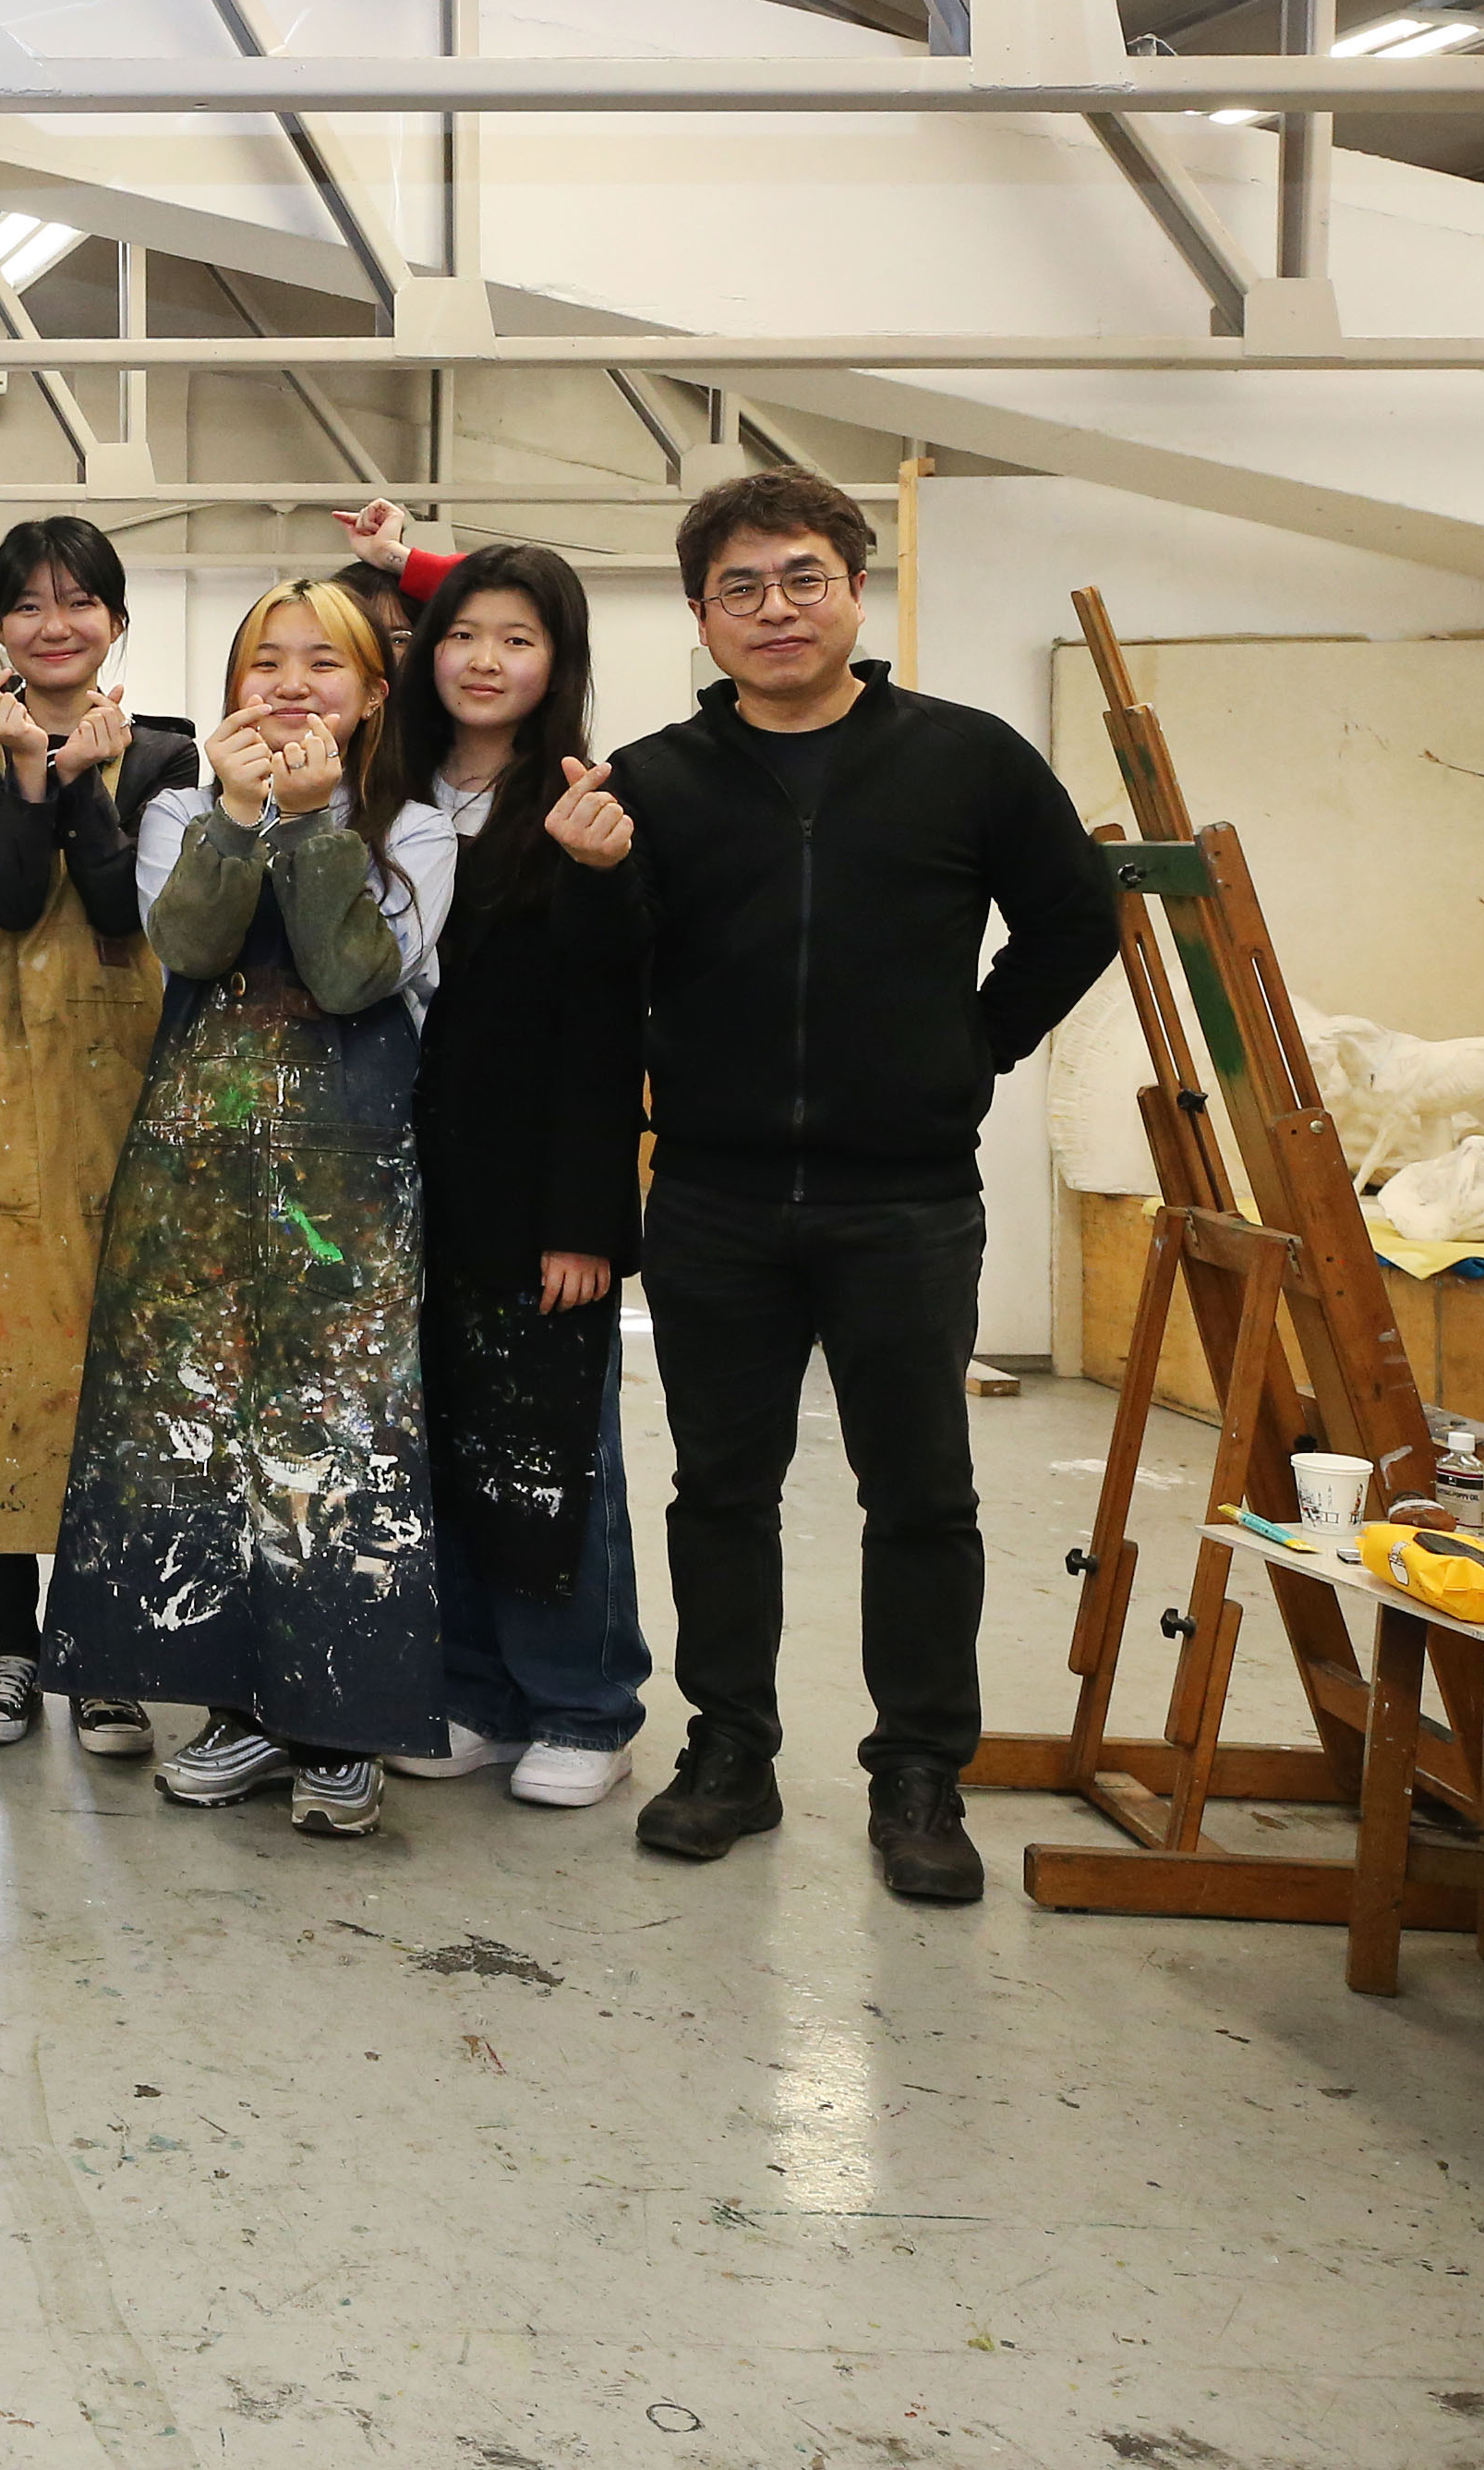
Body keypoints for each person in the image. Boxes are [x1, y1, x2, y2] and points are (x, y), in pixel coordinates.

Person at [589, 466, 1117, 1904]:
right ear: (701, 615)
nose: (776, 609)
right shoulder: (652, 780)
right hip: (714, 1195)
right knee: (720, 1490)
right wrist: (595, 886)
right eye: (741, 588)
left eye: (802, 578)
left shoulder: (967, 757)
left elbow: (1077, 917)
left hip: (907, 1199)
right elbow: (606, 971)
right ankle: (730, 1753)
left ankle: (920, 1773)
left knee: (924, 1493)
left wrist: (973, 1046)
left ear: (855, 592)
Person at [55, 575, 435, 1837]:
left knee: (339, 1438)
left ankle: (343, 1724)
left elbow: (350, 975)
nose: (290, 685)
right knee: (206, 1436)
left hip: (346, 1185)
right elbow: (192, 949)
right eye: (266, 662)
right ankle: (239, 1709)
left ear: (373, 693)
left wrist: (315, 822)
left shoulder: (420, 828)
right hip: (198, 1179)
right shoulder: (181, 809)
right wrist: (236, 813)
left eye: (324, 664)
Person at [0, 518, 193, 1760]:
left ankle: (101, 1650)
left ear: (116, 620)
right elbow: (2, 895)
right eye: (26, 606)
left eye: (78, 601)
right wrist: (29, 775)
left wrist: (89, 787)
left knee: (114, 1357)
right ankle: (12, 1645)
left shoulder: (166, 753)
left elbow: (121, 905)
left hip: (122, 1073)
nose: (53, 625)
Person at [357, 546, 654, 1810]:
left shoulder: (588, 804)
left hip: (528, 1196)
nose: (485, 660)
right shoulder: (381, 795)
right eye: (464, 633)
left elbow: (607, 1030)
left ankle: (586, 1704)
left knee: (547, 1453)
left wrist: (585, 1220)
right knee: (436, 1449)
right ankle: (475, 1689)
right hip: (397, 1192)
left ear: (558, 661)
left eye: (519, 639)